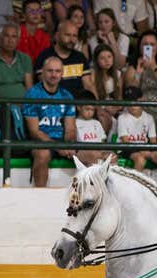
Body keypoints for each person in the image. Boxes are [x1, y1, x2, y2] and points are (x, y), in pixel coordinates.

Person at [23, 55, 77, 187]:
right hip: (41, 142)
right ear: (42, 72)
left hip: (61, 142)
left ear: (62, 73)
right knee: (42, 155)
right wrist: (57, 147)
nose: (54, 75)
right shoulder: (32, 94)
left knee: (93, 154)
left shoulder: (67, 96)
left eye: (57, 71)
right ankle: (40, 197)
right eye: (50, 71)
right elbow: (34, 132)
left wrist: (69, 144)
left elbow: (70, 128)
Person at [122, 30, 157, 124]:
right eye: (145, 44)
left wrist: (154, 67)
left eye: (152, 44)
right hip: (139, 110)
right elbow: (130, 91)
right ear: (140, 47)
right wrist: (138, 73)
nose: (148, 47)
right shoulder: (132, 67)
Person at [117, 85, 157, 175]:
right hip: (126, 149)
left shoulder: (149, 117)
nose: (132, 105)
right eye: (129, 101)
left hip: (144, 148)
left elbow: (153, 141)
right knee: (140, 160)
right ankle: (132, 186)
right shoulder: (122, 118)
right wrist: (143, 151)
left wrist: (151, 152)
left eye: (135, 100)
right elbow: (125, 142)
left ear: (142, 99)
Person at [74, 90, 110, 166]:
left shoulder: (97, 123)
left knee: (112, 156)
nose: (90, 112)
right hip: (81, 152)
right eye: (87, 109)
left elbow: (102, 140)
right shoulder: (74, 122)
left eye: (92, 110)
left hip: (98, 151)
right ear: (79, 107)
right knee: (93, 155)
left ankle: (109, 177)